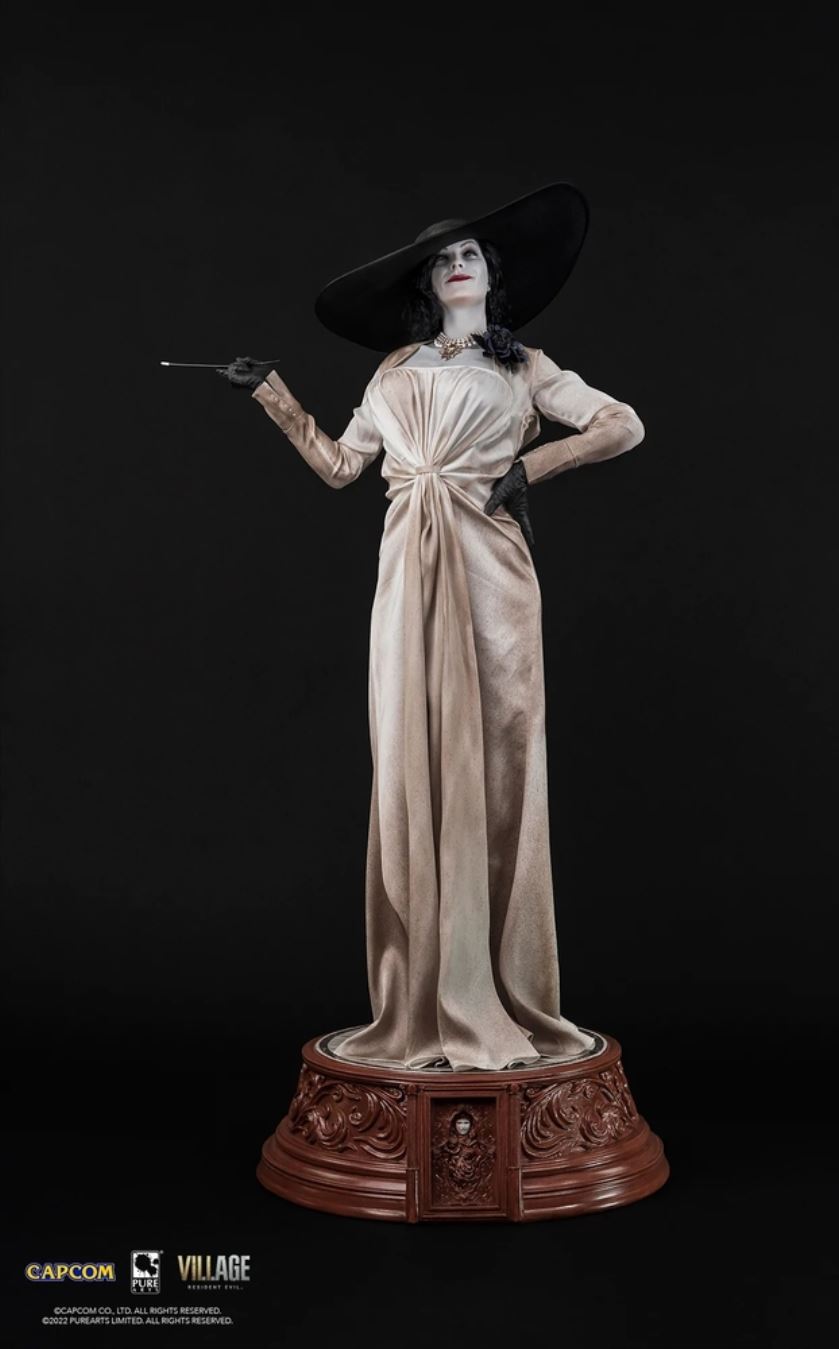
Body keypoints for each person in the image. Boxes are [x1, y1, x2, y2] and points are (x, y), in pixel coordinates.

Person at [217, 183, 645, 1071]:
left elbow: (622, 424)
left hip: (492, 569)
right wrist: (272, 395)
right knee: (410, 752)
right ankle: (424, 996)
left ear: (492, 274)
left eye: (470, 254)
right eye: (443, 259)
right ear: (427, 282)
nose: (456, 264)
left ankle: (502, 986)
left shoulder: (525, 365)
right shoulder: (393, 373)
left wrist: (536, 465)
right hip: (407, 570)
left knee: (500, 757)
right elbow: (343, 466)